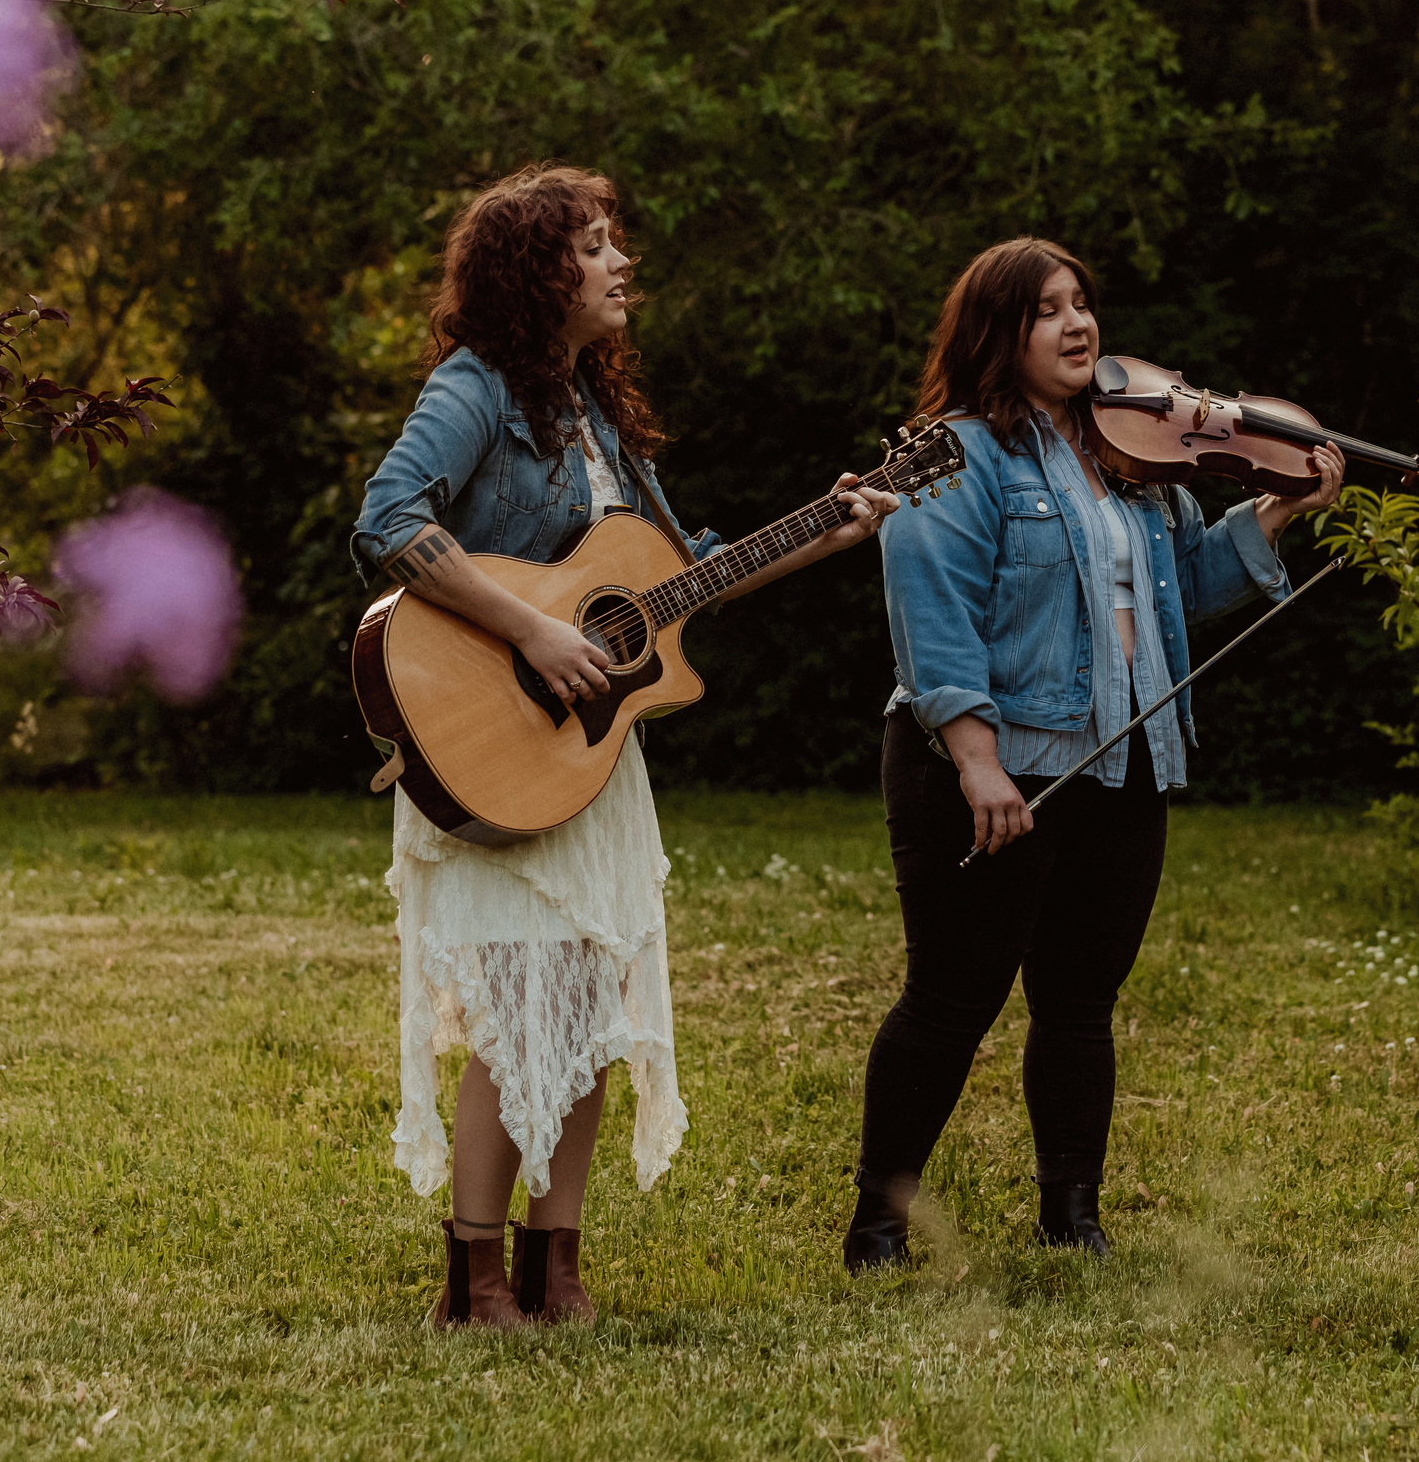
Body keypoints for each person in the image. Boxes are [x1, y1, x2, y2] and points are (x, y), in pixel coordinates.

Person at [350, 163, 895, 1327]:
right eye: (595, 245)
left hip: (590, 758)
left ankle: (558, 1266)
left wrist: (826, 531)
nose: (620, 262)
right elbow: (389, 519)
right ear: (538, 272)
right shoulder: (476, 387)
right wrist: (536, 632)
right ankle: (473, 1275)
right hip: (492, 727)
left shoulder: (593, 412)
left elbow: (679, 575)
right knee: (512, 1011)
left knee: (591, 1006)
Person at [844, 236, 1345, 1272]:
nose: (1077, 326)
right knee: (952, 992)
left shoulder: (1131, 455)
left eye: (1081, 304)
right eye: (1045, 310)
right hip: (991, 763)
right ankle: (879, 1222)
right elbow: (930, 608)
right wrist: (977, 759)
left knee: (1080, 998)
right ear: (997, 332)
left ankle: (1071, 1213)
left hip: (1124, 756)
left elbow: (1177, 597)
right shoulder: (958, 453)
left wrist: (1278, 510)